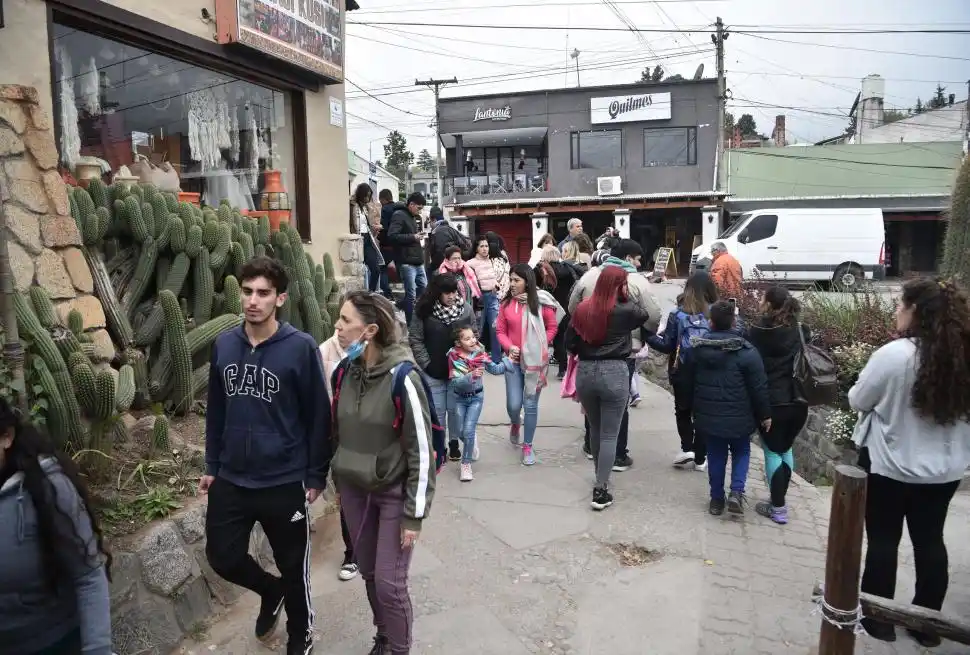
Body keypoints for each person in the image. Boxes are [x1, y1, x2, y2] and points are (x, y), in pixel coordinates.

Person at [203, 256, 331, 655]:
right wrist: (212, 466)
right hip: (233, 478)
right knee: (222, 557)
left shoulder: (299, 348)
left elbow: (318, 416)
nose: (252, 301)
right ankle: (268, 589)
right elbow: (217, 411)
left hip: (283, 479)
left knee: (294, 566)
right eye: (247, 292)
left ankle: (301, 634)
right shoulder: (225, 344)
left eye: (263, 293)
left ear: (280, 298)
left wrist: (315, 475)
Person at [850, 278, 970, 646]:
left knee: (884, 539)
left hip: (890, 467)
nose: (897, 311)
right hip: (945, 471)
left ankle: (879, 619)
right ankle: (927, 624)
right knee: (930, 540)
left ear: (916, 310)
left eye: (901, 304)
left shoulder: (895, 355)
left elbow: (858, 400)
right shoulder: (963, 357)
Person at [331, 291, 437, 655]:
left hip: (393, 494)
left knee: (391, 585)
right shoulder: (343, 372)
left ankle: (400, 649)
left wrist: (414, 514)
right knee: (371, 574)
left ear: (371, 330)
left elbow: (422, 450)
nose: (338, 327)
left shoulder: (403, 378)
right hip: (354, 491)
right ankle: (384, 636)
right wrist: (336, 483)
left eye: (346, 321)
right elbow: (335, 431)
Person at [0, 398, 111, 655]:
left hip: (55, 642)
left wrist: (98, 650)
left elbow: (89, 575)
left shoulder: (48, 487)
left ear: (6, 436)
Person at [570, 239, 661, 470]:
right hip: (623, 352)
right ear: (629, 258)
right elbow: (652, 316)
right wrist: (641, 336)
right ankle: (618, 455)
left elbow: (572, 309)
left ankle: (592, 448)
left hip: (589, 351)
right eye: (638, 258)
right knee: (617, 405)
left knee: (592, 406)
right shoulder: (637, 282)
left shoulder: (589, 276)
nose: (640, 263)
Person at [567, 266, 649, 511]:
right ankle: (601, 488)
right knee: (610, 434)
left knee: (595, 428)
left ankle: (599, 477)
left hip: (586, 372)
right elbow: (645, 314)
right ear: (620, 285)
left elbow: (569, 343)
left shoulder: (582, 309)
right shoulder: (625, 310)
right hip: (614, 370)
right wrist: (627, 294)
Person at [687, 300, 771, 517]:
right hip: (741, 416)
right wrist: (765, 415)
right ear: (734, 322)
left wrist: (689, 409)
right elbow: (759, 387)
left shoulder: (697, 350)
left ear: (711, 322)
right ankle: (736, 492)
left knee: (715, 455)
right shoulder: (747, 352)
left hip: (709, 415)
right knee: (742, 451)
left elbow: (687, 381)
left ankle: (716, 500)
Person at [745, 286, 811, 525]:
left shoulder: (759, 331)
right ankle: (779, 500)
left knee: (773, 450)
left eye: (763, 298)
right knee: (786, 449)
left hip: (772, 401)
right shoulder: (802, 330)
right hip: (798, 400)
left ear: (769, 304)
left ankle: (778, 507)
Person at [646, 272, 720, 471]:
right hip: (711, 372)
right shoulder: (718, 313)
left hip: (683, 370)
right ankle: (701, 457)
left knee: (683, 411)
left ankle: (687, 448)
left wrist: (648, 336)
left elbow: (668, 346)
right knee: (703, 414)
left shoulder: (678, 315)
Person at [496, 264, 562, 465]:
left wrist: (542, 344)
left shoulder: (540, 302)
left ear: (528, 282)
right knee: (514, 405)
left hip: (535, 362)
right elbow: (500, 331)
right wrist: (509, 347)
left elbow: (552, 327)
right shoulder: (506, 304)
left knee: (530, 405)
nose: (513, 284)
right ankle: (516, 423)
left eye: (517, 280)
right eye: (511, 279)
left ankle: (527, 446)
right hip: (514, 362)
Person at [409, 273, 474, 462]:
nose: (452, 296)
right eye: (447, 293)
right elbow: (415, 339)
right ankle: (439, 446)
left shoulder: (466, 310)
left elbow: (474, 336)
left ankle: (454, 443)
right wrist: (426, 364)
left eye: (454, 292)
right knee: (437, 412)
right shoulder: (423, 311)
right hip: (433, 371)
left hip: (458, 372)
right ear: (437, 293)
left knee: (455, 411)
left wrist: (469, 361)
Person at [447, 325, 513, 481]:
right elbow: (455, 383)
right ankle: (471, 441)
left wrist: (508, 361)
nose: (472, 341)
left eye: (473, 337)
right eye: (467, 338)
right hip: (459, 398)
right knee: (460, 431)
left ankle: (466, 464)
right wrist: (471, 376)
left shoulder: (480, 355)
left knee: (468, 430)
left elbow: (495, 369)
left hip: (476, 397)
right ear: (458, 342)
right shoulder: (453, 356)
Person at [319, 334, 359, 582]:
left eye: (347, 321)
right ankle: (353, 553)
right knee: (347, 498)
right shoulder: (340, 368)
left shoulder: (396, 371)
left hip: (380, 451)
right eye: (339, 321)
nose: (340, 328)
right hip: (344, 443)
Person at [534, 246, 583, 379]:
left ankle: (546, 368)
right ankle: (565, 368)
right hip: (567, 308)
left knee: (545, 338)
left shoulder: (542, 269)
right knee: (562, 338)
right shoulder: (568, 268)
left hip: (549, 307)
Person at [387, 192, 428, 324]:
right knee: (411, 295)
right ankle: (410, 324)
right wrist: (413, 237)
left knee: (424, 289)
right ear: (411, 204)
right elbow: (392, 236)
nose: (419, 211)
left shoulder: (412, 216)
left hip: (417, 260)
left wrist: (416, 236)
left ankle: (403, 307)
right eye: (419, 208)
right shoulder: (399, 215)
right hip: (406, 262)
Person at [465, 235, 503, 361]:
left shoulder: (493, 261)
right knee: (477, 330)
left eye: (486, 246)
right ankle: (475, 359)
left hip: (493, 297)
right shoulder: (470, 263)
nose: (485, 249)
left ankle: (496, 360)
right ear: (476, 248)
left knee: (495, 328)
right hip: (479, 299)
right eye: (481, 246)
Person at [351, 183, 385, 293]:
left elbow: (367, 223)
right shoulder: (352, 205)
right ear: (361, 194)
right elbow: (353, 225)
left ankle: (371, 292)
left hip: (367, 238)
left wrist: (374, 228)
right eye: (366, 195)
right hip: (358, 239)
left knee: (376, 269)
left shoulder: (366, 208)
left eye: (369, 196)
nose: (367, 198)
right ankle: (362, 293)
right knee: (359, 270)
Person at [437, 245, 481, 311]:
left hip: (469, 308)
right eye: (454, 258)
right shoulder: (442, 274)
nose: (457, 261)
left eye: (459, 258)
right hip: (452, 311)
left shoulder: (467, 270)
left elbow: (474, 287)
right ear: (447, 260)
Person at [427, 207, 469, 273]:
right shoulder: (450, 229)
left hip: (446, 269)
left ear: (434, 220)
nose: (430, 225)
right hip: (455, 266)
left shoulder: (439, 232)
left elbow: (440, 254)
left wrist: (436, 268)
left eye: (430, 222)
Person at [377, 189, 398, 299]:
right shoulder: (398, 209)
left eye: (380, 201)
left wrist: (378, 231)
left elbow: (384, 226)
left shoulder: (385, 209)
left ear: (383, 199)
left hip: (386, 245)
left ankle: (388, 295)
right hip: (398, 244)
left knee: (382, 269)